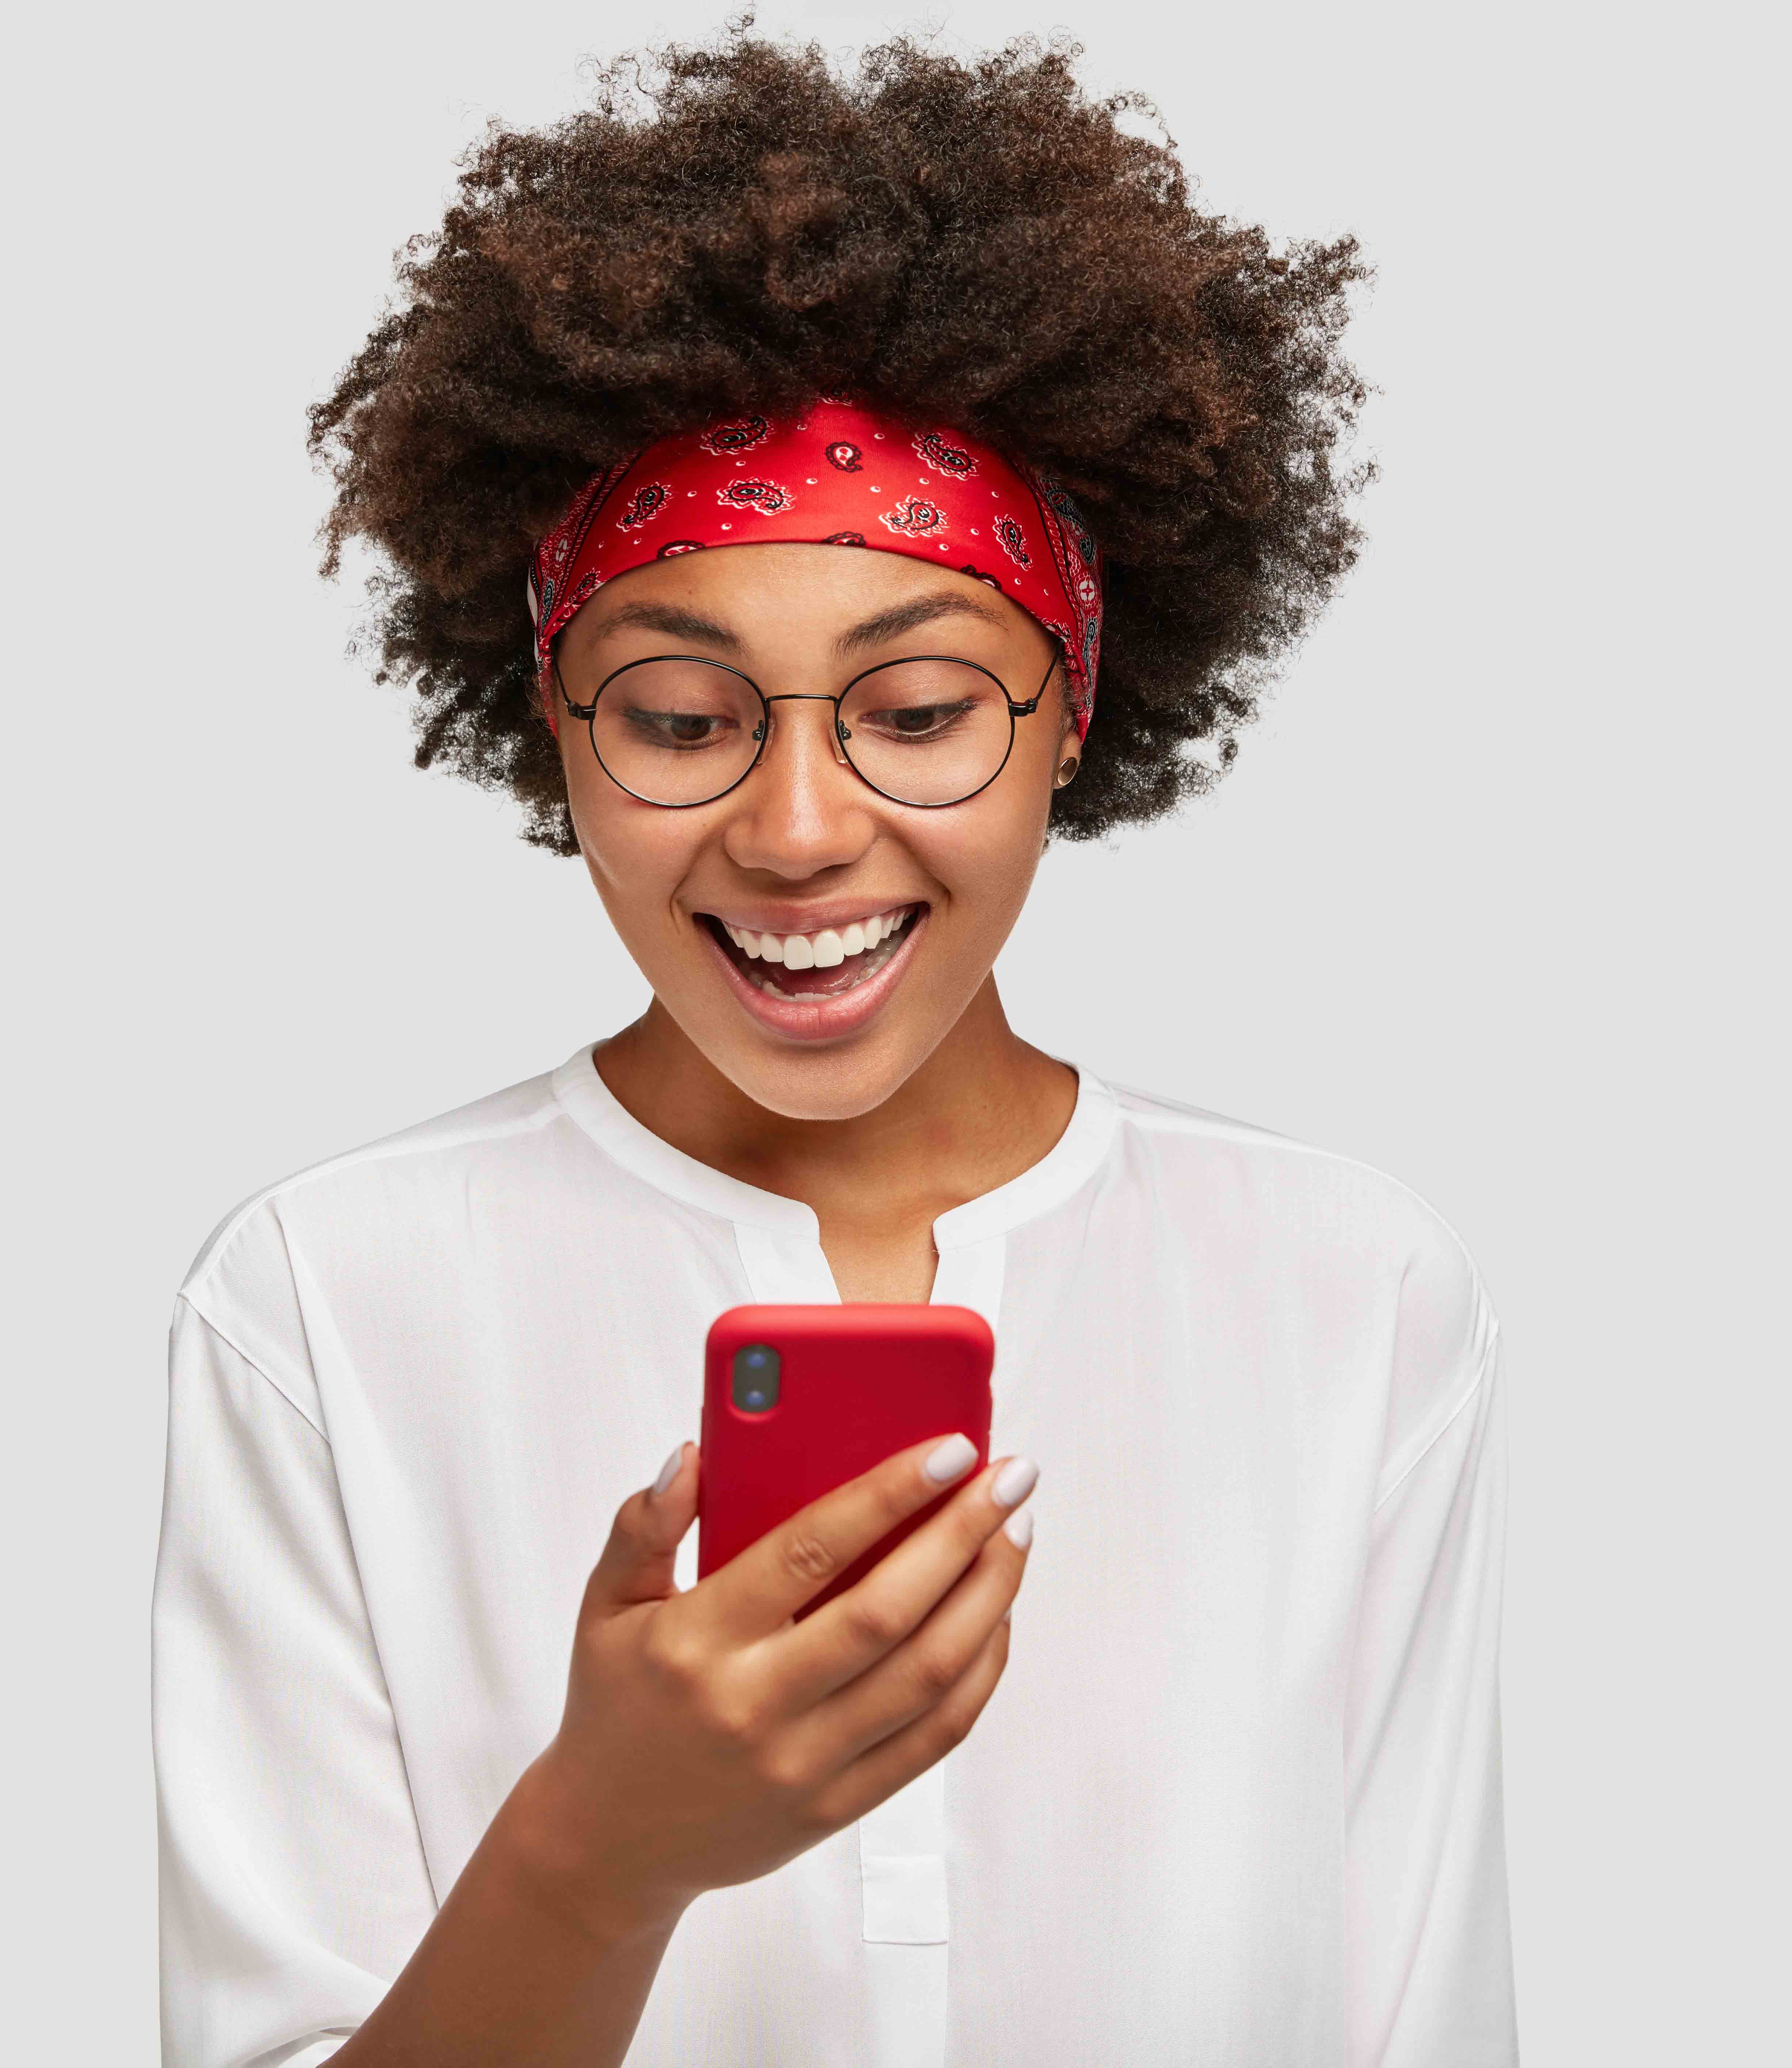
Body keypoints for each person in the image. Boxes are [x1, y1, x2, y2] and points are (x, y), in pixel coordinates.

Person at [151, 30, 1518, 2068]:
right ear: (553, 727)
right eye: (687, 719)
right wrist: (592, 1856)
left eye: (921, 707)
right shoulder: (324, 1305)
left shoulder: (1352, 1294)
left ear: (1071, 711)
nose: (798, 833)